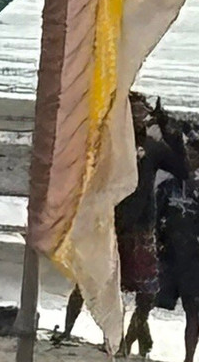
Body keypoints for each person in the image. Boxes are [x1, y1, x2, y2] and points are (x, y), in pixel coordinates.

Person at [59, 92, 188, 356]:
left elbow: (182, 169)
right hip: (110, 221)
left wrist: (168, 129)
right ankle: (66, 332)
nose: (139, 117)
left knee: (147, 292)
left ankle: (127, 343)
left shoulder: (151, 148)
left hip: (141, 226)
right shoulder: (111, 143)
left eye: (142, 113)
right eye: (133, 112)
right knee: (90, 277)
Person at [156, 126, 199, 362]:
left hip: (195, 258)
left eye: (194, 155)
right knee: (146, 300)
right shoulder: (168, 186)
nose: (191, 160)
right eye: (188, 155)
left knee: (194, 311)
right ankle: (129, 342)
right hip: (171, 255)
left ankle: (188, 358)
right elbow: (155, 217)